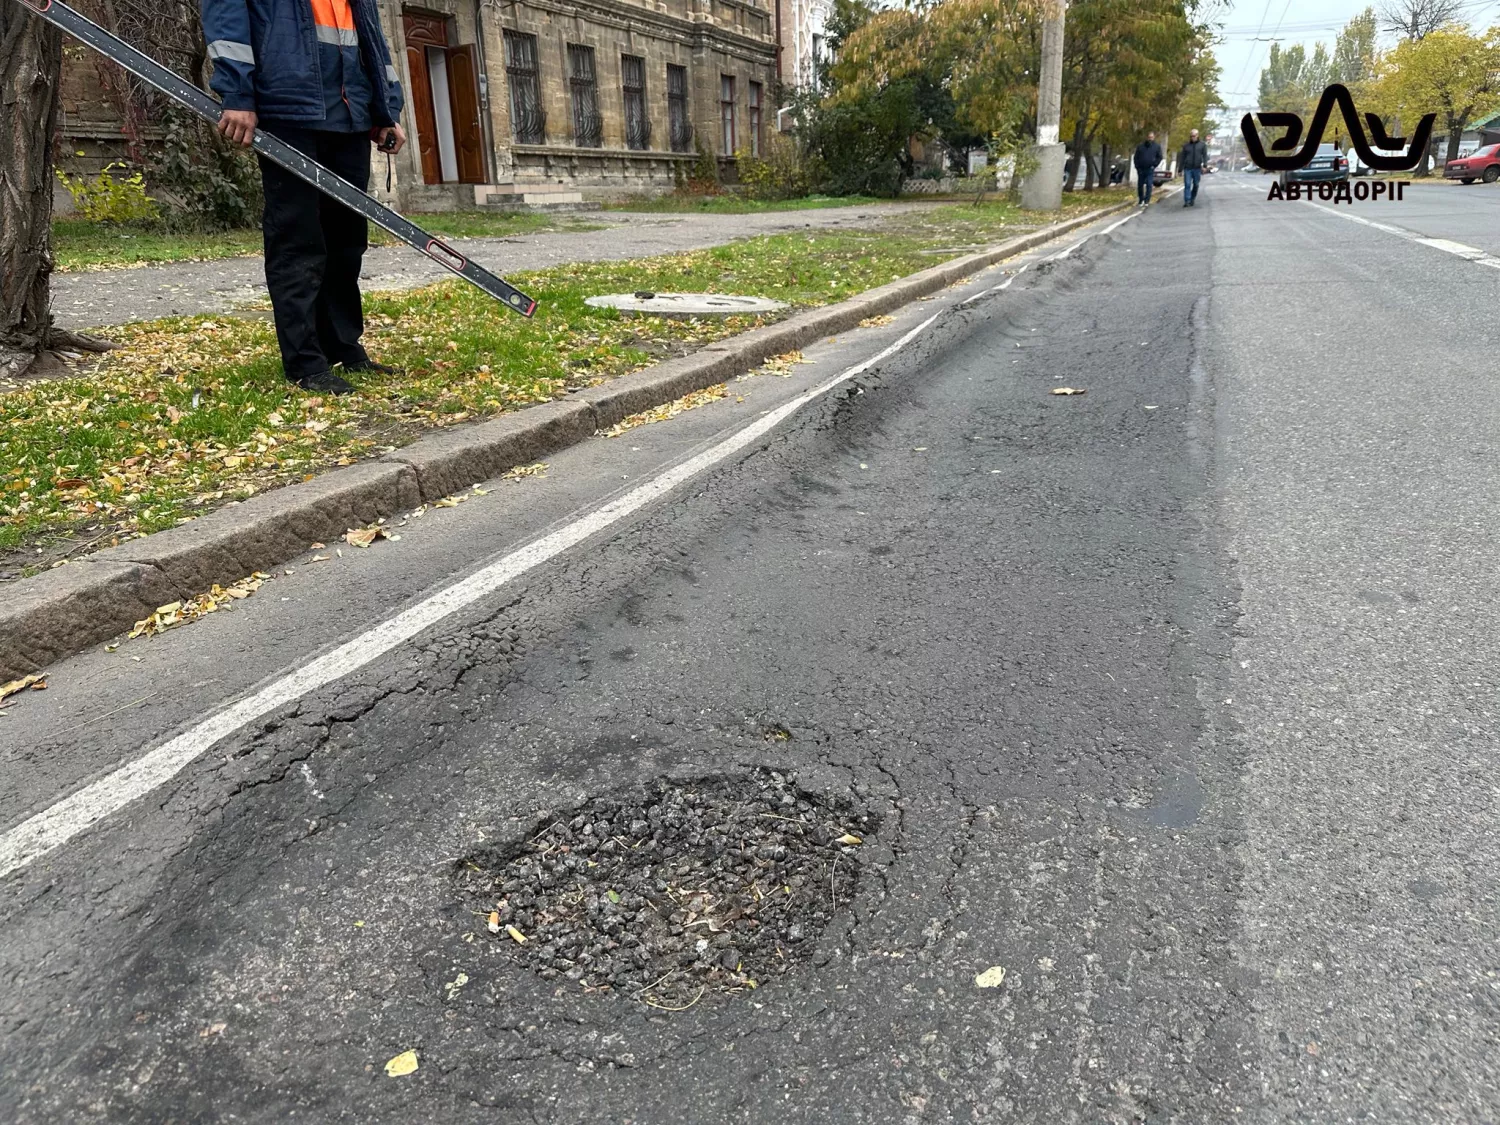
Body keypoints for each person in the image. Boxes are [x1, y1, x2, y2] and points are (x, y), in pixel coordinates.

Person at [203, 0, 407, 394]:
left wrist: (385, 109)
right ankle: (305, 362)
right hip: (289, 112)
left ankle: (343, 346)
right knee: (297, 242)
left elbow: (372, 41)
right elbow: (226, 21)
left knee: (347, 242)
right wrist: (237, 95)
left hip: (350, 116)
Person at [1179, 129, 1209, 208]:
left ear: (1197, 135)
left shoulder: (1202, 145)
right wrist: (1180, 169)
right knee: (1187, 184)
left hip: (1197, 168)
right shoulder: (1186, 146)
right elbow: (1182, 157)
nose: (1193, 137)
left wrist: (1205, 165)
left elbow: (1205, 156)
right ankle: (1187, 201)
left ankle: (1192, 198)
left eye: (1194, 136)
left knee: (1196, 184)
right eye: (1191, 136)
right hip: (1187, 168)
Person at [1133, 132, 1163, 206]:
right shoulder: (1140, 146)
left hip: (1150, 168)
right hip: (1141, 169)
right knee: (1140, 185)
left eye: (1152, 137)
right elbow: (1136, 157)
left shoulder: (1156, 146)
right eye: (1149, 137)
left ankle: (1147, 200)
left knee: (1149, 185)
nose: (1150, 139)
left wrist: (1154, 165)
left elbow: (1159, 157)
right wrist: (1137, 167)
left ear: (1154, 138)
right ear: (1147, 137)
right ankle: (1141, 200)